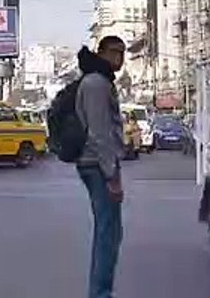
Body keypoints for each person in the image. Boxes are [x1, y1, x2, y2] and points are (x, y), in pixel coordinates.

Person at [75, 35, 126, 298]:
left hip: (97, 164)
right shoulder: (96, 83)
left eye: (123, 53)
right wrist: (111, 175)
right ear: (102, 52)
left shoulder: (101, 80)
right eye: (115, 52)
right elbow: (99, 133)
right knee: (108, 233)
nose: (120, 58)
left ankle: (100, 291)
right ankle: (100, 294)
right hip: (97, 165)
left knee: (110, 231)